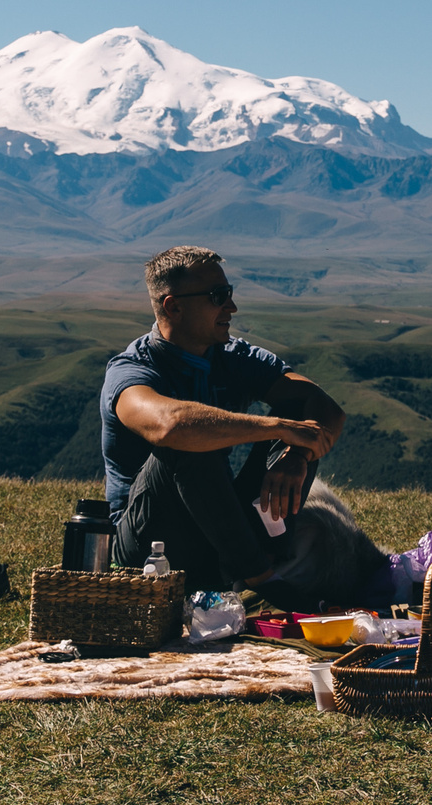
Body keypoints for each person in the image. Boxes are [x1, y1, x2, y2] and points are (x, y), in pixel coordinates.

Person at [100, 246, 346, 592]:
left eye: (229, 294)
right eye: (218, 296)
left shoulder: (234, 357)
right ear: (174, 306)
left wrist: (297, 454)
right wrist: (277, 428)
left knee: (297, 415)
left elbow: (326, 408)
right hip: (148, 549)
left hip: (218, 531)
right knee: (187, 439)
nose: (231, 307)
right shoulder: (131, 370)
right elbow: (168, 425)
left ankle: (255, 564)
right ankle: (261, 584)